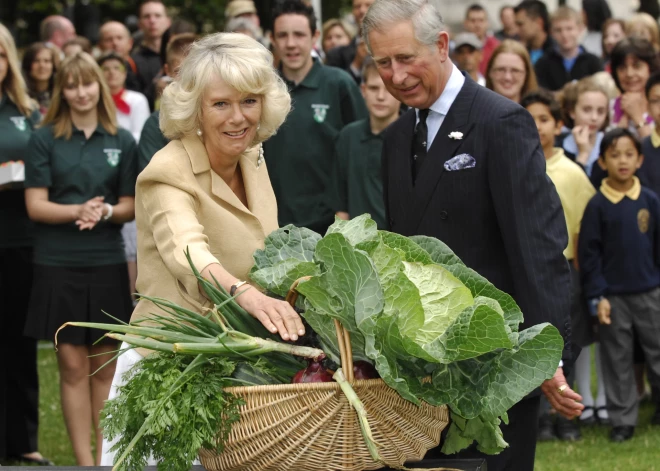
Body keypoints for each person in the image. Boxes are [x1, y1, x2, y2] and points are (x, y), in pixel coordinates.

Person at [363, 1, 582, 469]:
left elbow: (537, 246)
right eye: (383, 63)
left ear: (442, 46)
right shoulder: (397, 137)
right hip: (420, 366)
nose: (396, 76)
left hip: (494, 360)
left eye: (406, 58)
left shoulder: (501, 122)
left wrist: (548, 356)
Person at [99, 32, 304, 464]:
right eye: (221, 104)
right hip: (167, 370)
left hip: (238, 367)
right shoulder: (167, 171)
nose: (238, 117)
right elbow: (188, 254)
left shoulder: (253, 157)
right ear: (195, 108)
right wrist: (244, 293)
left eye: (249, 101)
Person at [23, 52, 137, 466]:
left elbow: (130, 205)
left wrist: (104, 212)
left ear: (100, 86)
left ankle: (107, 460)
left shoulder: (122, 139)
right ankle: (84, 463)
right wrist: (78, 211)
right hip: (57, 262)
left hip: (105, 261)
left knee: (104, 369)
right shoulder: (44, 138)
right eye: (71, 85)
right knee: (71, 367)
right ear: (62, 91)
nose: (81, 92)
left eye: (87, 83)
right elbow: (35, 205)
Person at [521, 88, 596, 443]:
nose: (537, 127)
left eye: (544, 119)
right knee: (534, 345)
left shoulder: (572, 172)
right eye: (530, 118)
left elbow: (583, 228)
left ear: (559, 124)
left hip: (565, 270)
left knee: (568, 344)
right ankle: (542, 418)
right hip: (526, 270)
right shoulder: (514, 165)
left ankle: (568, 416)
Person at [579, 128, 660, 442]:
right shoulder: (598, 205)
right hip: (613, 298)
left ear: (639, 160)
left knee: (657, 352)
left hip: (650, 293)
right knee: (617, 359)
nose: (622, 161)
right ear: (602, 161)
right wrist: (598, 295)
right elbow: (590, 255)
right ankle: (623, 419)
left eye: (629, 154)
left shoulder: (650, 200)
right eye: (614, 155)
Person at [264, 0, 367, 234]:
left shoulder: (339, 84)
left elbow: (361, 152)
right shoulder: (263, 90)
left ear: (315, 36)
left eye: (299, 35)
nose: (291, 44)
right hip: (274, 225)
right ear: (272, 38)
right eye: (283, 35)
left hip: (330, 225)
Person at [0, 22, 52, 467]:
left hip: (19, 241)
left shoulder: (27, 109)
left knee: (18, 343)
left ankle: (22, 440)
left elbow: (42, 165)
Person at [330, 57, 399, 230]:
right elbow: (341, 205)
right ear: (363, 90)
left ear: (400, 91)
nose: (381, 96)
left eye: (388, 89)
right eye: (374, 88)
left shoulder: (412, 138)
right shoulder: (348, 136)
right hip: (356, 246)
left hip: (399, 248)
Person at [137, 33, 196, 173]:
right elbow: (152, 177)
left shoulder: (221, 114)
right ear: (167, 71)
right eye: (179, 72)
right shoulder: (156, 123)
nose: (187, 80)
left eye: (194, 72)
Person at [534, 6, 603, 92]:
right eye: (558, 30)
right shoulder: (542, 63)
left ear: (580, 29)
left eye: (569, 29)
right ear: (551, 32)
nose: (564, 35)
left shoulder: (593, 62)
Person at [609, 37, 659, 138]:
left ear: (650, 68)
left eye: (637, 66)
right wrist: (625, 117)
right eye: (622, 67)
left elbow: (656, 151)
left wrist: (637, 116)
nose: (629, 74)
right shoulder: (610, 106)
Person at [559, 77, 609, 176]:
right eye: (587, 110)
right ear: (572, 111)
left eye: (601, 111)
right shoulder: (559, 148)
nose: (594, 118)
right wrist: (583, 155)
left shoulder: (610, 144)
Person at [98, 52, 150, 143]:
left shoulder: (138, 99)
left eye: (117, 68)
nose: (111, 72)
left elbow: (140, 134)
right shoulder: (95, 100)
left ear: (125, 73)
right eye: (105, 69)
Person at [131, 0, 171, 109]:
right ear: (140, 24)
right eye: (146, 16)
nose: (152, 20)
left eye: (157, 16)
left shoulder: (182, 54)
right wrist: (155, 88)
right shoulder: (132, 62)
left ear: (168, 22)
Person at [325, 0, 375, 84]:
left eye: (368, 5)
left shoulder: (394, 45)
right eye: (357, 6)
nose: (362, 10)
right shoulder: (335, 55)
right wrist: (356, 64)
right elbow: (332, 88)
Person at [486, 39, 538, 104]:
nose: (507, 77)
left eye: (515, 71)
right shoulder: (475, 110)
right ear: (490, 72)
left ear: (526, 74)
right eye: (501, 70)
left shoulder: (537, 112)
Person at [98, 21, 141, 92]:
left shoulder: (142, 66)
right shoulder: (93, 70)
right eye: (109, 39)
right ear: (100, 46)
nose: (115, 43)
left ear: (130, 43)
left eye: (119, 38)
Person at [21, 42, 60, 117]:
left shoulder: (60, 93)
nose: (42, 65)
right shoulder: (21, 95)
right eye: (36, 61)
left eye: (47, 61)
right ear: (28, 65)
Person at [462, 4, 499, 76]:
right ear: (465, 23)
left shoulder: (496, 47)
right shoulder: (458, 49)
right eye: (473, 20)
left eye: (481, 20)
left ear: (487, 23)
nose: (477, 25)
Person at [514, 0, 554, 65]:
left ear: (539, 22)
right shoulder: (520, 53)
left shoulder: (557, 53)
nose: (517, 30)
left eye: (520, 24)